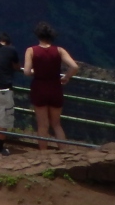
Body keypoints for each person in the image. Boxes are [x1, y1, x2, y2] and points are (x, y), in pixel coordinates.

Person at [24, 22, 79, 151]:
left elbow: (26, 71)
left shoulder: (31, 50)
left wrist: (35, 71)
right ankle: (64, 152)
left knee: (43, 125)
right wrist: (66, 77)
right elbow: (74, 66)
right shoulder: (59, 50)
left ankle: (43, 155)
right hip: (55, 88)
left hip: (39, 88)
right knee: (56, 124)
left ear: (38, 35)